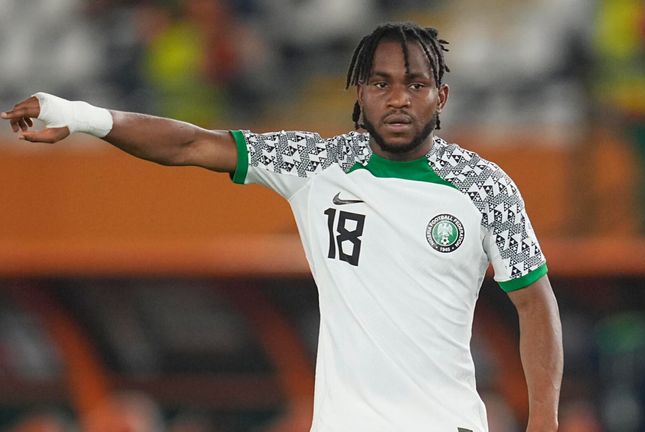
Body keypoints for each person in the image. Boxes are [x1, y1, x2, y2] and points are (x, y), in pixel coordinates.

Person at [3, 22, 563, 432]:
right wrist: (78, 115)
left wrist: (543, 424)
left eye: (416, 84)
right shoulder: (315, 165)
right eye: (381, 83)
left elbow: (535, 303)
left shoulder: (485, 187)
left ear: (441, 95)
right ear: (360, 95)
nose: (398, 98)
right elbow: (193, 143)